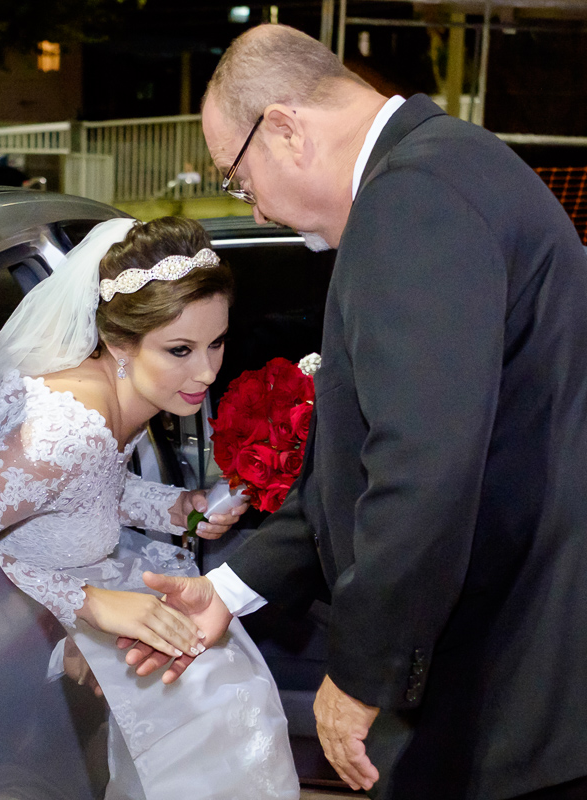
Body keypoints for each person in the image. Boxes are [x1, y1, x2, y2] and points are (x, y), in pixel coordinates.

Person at [128, 23, 587, 800]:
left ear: (284, 129)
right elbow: (366, 453)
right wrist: (229, 591)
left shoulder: (412, 201)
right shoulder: (450, 162)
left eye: (241, 181)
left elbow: (421, 469)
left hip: (511, 668)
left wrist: (363, 669)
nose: (261, 212)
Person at [0, 216, 299, 800]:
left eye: (217, 342)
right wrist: (89, 608)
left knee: (219, 682)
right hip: (10, 621)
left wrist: (182, 505)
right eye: (179, 350)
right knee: (211, 705)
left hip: (85, 580)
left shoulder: (114, 396)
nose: (206, 371)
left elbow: (92, 487)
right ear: (117, 342)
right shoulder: (67, 427)